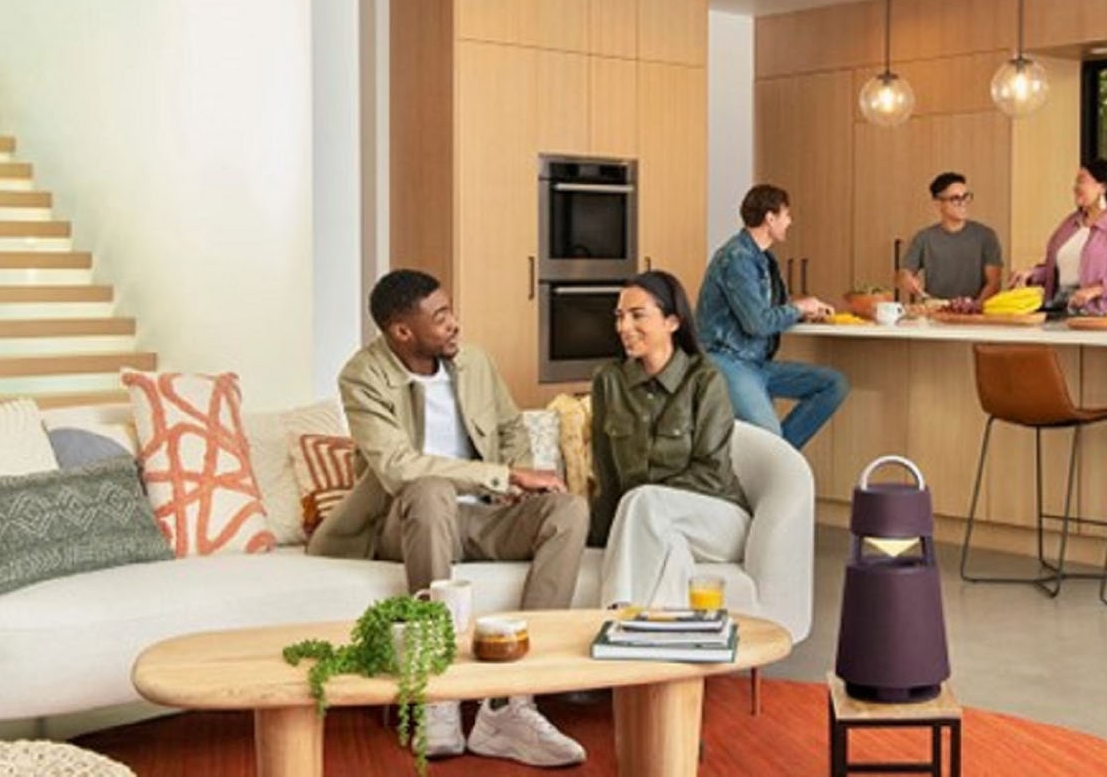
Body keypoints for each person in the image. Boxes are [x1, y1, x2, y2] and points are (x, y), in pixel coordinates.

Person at [308, 269, 587, 766]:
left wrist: (513, 485)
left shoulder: (473, 360)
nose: (455, 324)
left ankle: (510, 701)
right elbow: (398, 468)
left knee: (567, 510)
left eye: (451, 309)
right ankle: (436, 692)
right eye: (440, 317)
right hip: (409, 519)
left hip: (483, 518)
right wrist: (502, 475)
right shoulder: (362, 376)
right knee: (431, 489)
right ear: (402, 332)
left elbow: (508, 428)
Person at [589, 271, 751, 609]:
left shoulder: (705, 380)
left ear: (672, 322)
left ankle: (614, 619)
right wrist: (596, 539)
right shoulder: (609, 382)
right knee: (669, 548)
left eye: (637, 315)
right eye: (619, 317)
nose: (623, 327)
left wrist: (647, 497)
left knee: (643, 502)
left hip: (717, 517)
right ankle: (662, 649)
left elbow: (713, 473)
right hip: (649, 519)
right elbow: (607, 475)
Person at [696, 184, 849, 450]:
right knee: (769, 439)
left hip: (756, 364)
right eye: (786, 215)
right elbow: (757, 323)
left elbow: (768, 311)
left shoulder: (763, 259)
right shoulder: (737, 258)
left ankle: (777, 462)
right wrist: (800, 307)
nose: (790, 221)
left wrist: (805, 314)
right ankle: (776, 461)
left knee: (833, 384)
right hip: (728, 361)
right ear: (770, 218)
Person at [1011, 158, 1107, 314]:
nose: (1075, 187)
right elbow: (1057, 270)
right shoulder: (1070, 224)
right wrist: (1031, 274)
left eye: (1081, 181)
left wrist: (1097, 289)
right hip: (1059, 310)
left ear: (1103, 187)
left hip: (1101, 315)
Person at [897, 172, 1003, 302]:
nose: (962, 203)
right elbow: (904, 273)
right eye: (955, 198)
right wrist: (907, 279)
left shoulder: (986, 236)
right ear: (938, 203)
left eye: (966, 197)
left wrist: (974, 308)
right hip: (935, 312)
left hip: (976, 313)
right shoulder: (924, 238)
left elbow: (994, 283)